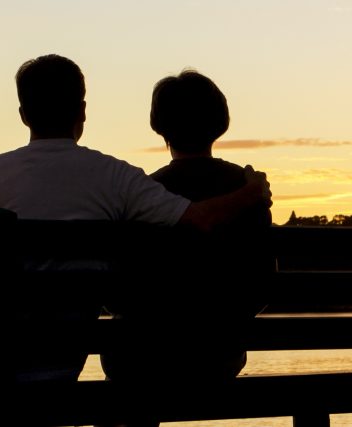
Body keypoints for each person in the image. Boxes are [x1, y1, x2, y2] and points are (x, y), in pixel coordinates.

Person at [0, 54, 271, 384]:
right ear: (82, 110)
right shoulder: (117, 179)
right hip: (65, 363)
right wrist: (251, 193)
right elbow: (199, 220)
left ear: (24, 114)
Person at [99, 70, 272, 388]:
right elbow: (261, 285)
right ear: (220, 121)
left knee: (130, 359)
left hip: (144, 357)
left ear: (159, 125)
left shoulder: (144, 192)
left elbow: (115, 296)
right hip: (220, 357)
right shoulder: (249, 189)